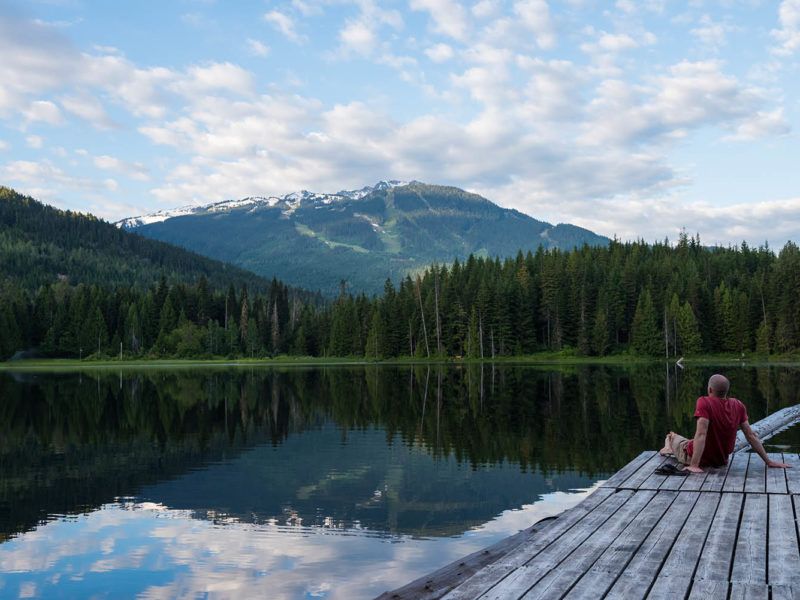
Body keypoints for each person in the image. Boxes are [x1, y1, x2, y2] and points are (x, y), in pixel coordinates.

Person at [660, 373, 791, 473]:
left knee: (672, 436)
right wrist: (768, 461)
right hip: (721, 460)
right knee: (689, 441)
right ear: (726, 391)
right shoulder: (738, 405)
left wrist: (694, 465)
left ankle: (668, 447)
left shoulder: (704, 402)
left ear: (710, 390)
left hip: (696, 457)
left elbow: (701, 434)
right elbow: (751, 435)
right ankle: (670, 449)